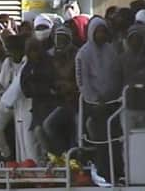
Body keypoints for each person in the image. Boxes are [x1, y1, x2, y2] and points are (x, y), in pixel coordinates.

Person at [76, 16, 122, 181]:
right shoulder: (83, 54)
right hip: (94, 105)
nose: (101, 35)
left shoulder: (112, 51)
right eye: (98, 32)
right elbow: (82, 81)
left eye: (104, 31)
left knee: (116, 139)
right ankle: (105, 172)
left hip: (113, 102)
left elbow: (117, 75)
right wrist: (96, 99)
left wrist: (112, 95)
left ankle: (119, 171)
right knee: (102, 139)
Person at [0, 35, 35, 162]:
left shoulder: (27, 62)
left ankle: (34, 167)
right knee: (20, 138)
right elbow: (4, 82)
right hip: (14, 104)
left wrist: (6, 101)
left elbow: (19, 85)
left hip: (27, 103)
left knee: (28, 139)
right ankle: (21, 164)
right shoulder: (8, 62)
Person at [43, 27, 79, 156]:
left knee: (77, 130)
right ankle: (63, 156)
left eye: (63, 39)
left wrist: (71, 86)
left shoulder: (77, 55)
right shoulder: (51, 57)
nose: (60, 43)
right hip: (59, 102)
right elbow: (49, 80)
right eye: (58, 40)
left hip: (77, 102)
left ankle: (76, 160)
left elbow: (81, 79)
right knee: (49, 125)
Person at [20, 38, 56, 164]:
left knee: (47, 129)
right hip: (38, 105)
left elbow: (51, 83)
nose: (34, 54)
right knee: (38, 132)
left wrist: (39, 86)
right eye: (31, 51)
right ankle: (45, 159)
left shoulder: (49, 62)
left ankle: (53, 157)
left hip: (52, 104)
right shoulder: (28, 66)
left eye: (36, 50)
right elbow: (25, 88)